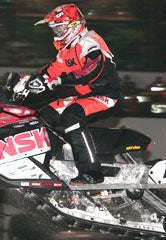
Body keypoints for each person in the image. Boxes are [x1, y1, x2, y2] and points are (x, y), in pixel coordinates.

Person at [9, 4, 123, 184]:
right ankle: (52, 163)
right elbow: (51, 70)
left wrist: (63, 80)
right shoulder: (66, 51)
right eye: (55, 28)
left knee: (72, 116)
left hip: (107, 95)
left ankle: (92, 172)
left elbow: (92, 69)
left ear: (74, 25)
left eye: (60, 27)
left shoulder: (89, 41)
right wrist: (28, 81)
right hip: (85, 96)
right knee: (45, 115)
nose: (57, 31)